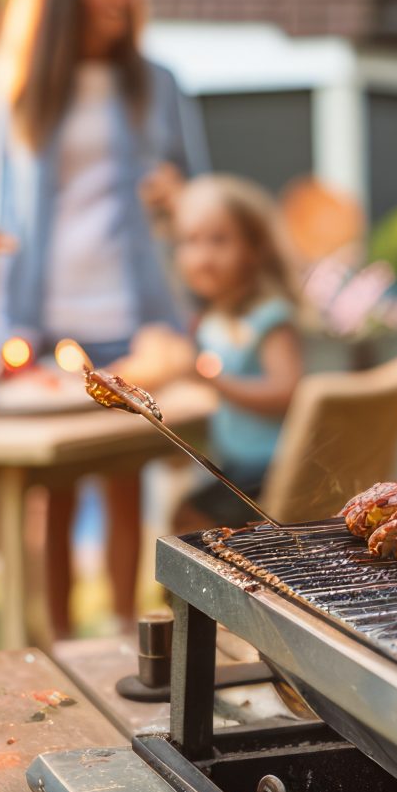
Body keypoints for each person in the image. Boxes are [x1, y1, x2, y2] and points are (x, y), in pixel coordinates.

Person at [0, 0, 207, 640]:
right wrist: (0, 327)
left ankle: (115, 630)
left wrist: (179, 198)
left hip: (133, 314)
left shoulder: (158, 84)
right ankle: (52, 644)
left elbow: (202, 199)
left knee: (122, 481)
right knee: (50, 488)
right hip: (46, 319)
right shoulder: (20, 90)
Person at [163, 175, 305, 532]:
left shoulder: (267, 316)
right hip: (238, 464)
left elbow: (288, 392)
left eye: (219, 240)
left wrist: (215, 382)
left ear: (254, 248)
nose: (203, 256)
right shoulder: (210, 321)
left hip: (271, 469)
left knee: (188, 522)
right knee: (184, 516)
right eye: (191, 241)